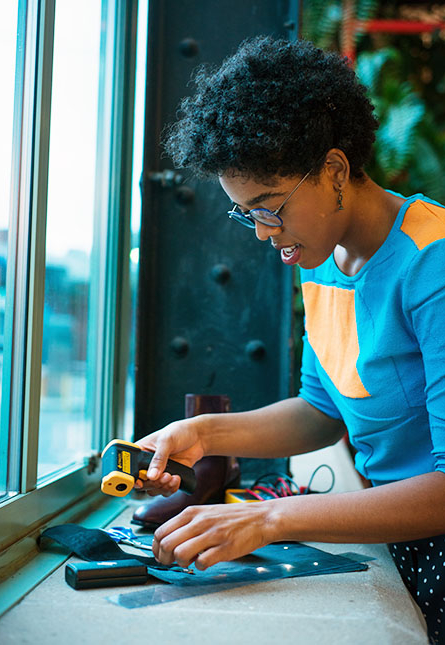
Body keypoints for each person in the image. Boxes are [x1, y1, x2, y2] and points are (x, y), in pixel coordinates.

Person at [134, 36, 445, 643]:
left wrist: (267, 517)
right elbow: (322, 410)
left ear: (333, 171)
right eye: (246, 213)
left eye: (269, 207)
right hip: (398, 538)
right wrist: (202, 435)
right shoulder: (320, 259)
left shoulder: (431, 265)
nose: (260, 232)